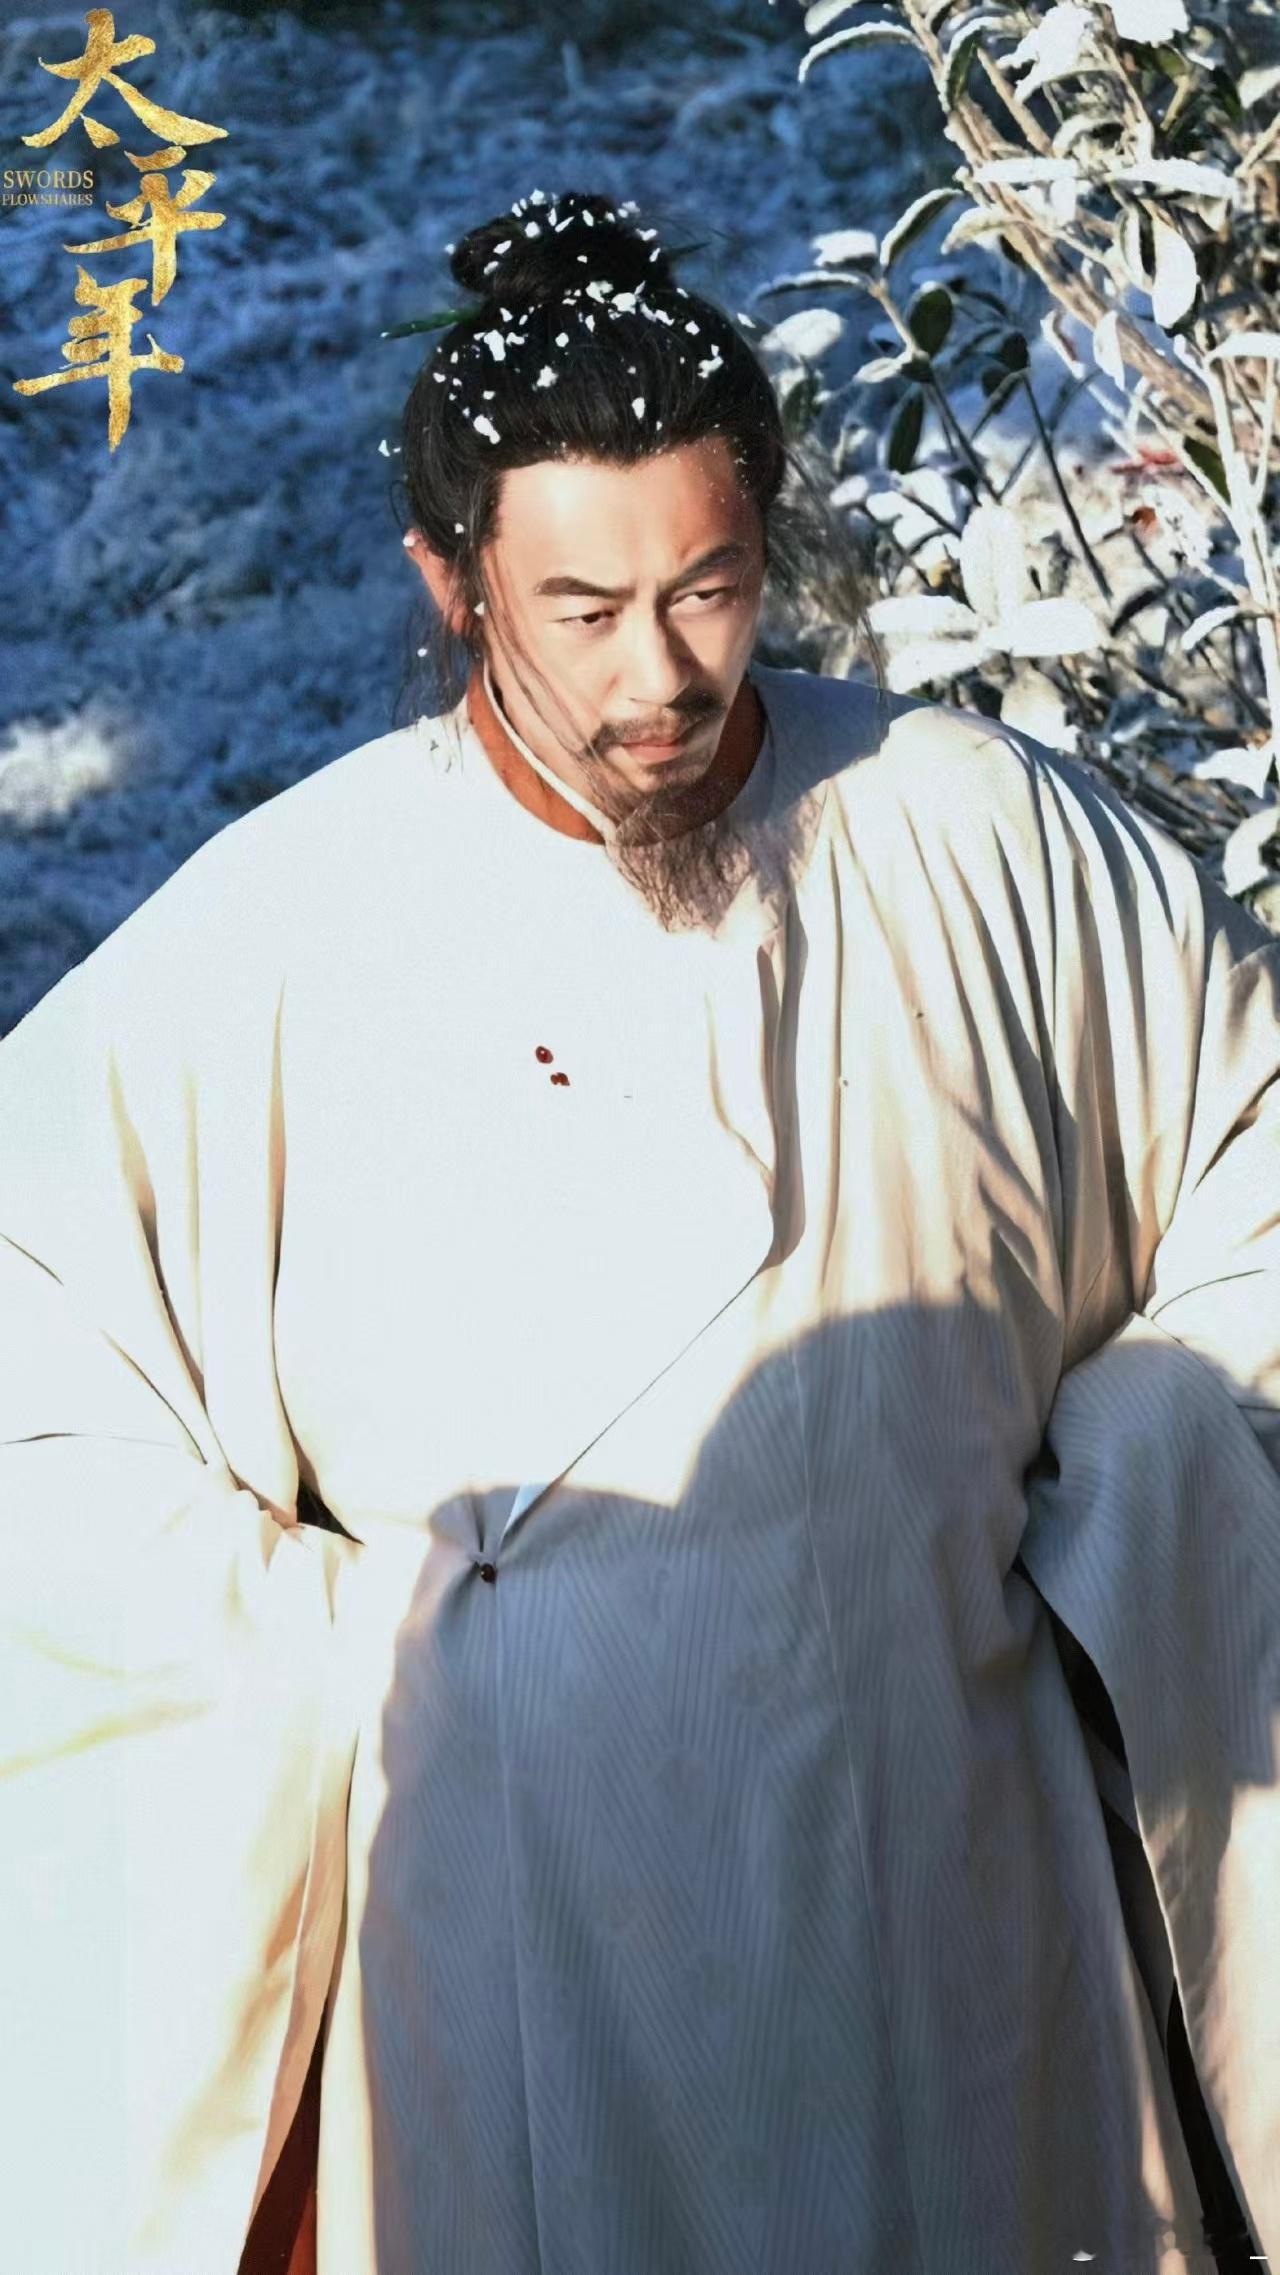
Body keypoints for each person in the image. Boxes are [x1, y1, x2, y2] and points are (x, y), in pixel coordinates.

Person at [1, 187, 1277, 2275]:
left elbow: (1260, 1161)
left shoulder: (978, 830)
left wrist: (1143, 1467)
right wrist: (342, 1654)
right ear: (451, 583)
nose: (659, 675)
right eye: (580, 610)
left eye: (707, 589)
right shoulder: (291, 930)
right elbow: (32, 1359)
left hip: (948, 1859)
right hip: (516, 1929)